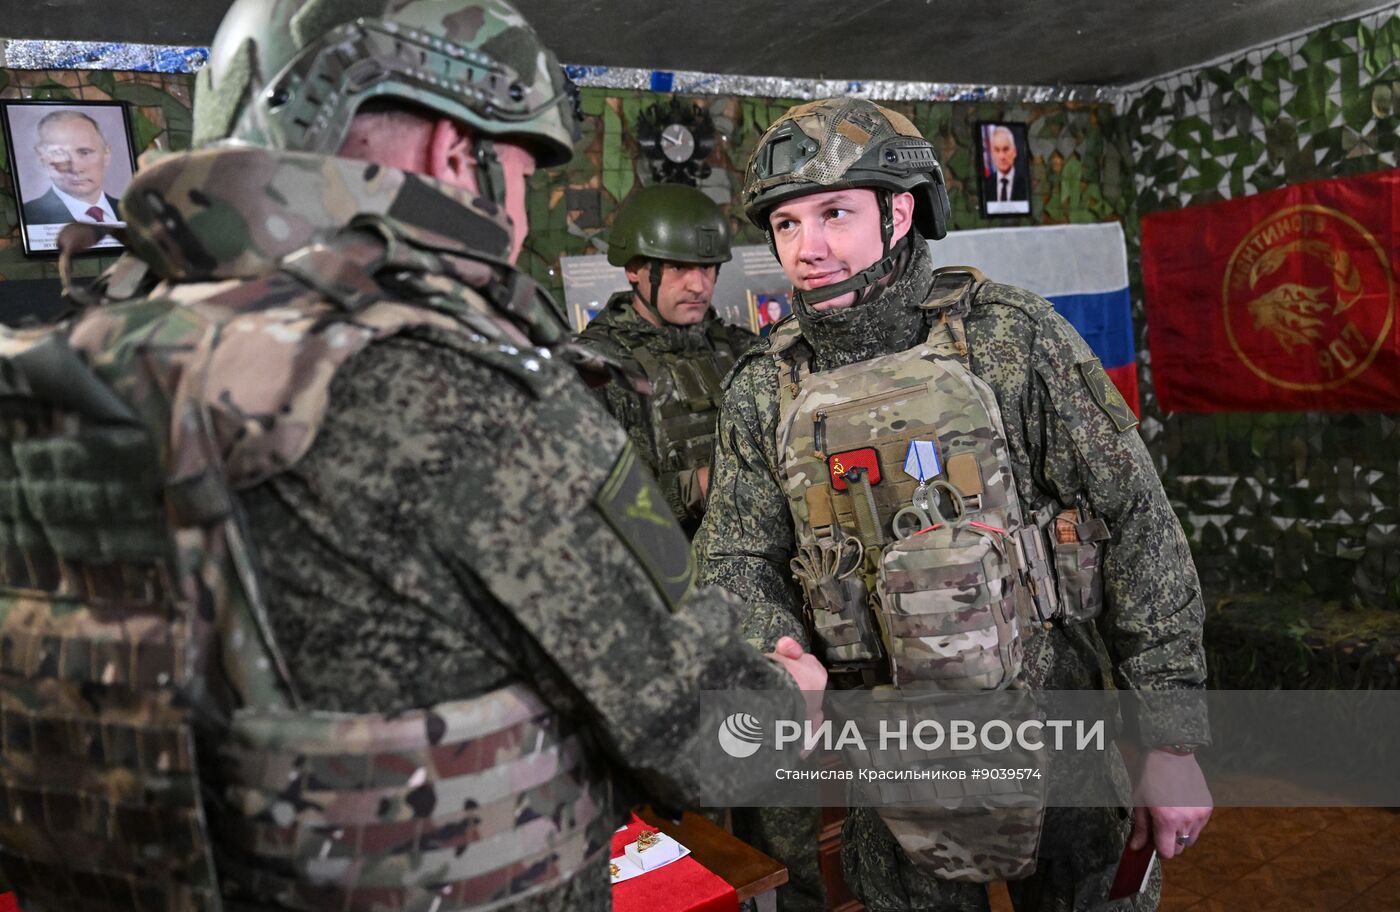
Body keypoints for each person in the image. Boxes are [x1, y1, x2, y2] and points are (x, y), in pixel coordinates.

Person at [0, 2, 826, 910]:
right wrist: (792, 697)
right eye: (515, 177)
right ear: (450, 155)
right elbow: (706, 737)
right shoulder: (463, 392)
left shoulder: (81, 363)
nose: (517, 219)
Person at [698, 96, 1211, 911]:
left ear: (900, 211)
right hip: (882, 755)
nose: (808, 249)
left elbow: (1139, 525)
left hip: (1054, 728)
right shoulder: (765, 387)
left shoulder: (1011, 337)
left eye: (834, 213)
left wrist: (1172, 737)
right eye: (786, 225)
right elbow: (732, 560)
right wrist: (775, 643)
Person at [579, 182, 756, 535]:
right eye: (678, 267)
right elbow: (589, 501)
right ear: (634, 269)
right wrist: (698, 488)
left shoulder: (742, 350)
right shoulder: (597, 368)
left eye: (707, 268)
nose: (697, 286)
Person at [22, 109, 123, 224]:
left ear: (106, 154)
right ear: (42, 159)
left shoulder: (137, 214)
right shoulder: (29, 217)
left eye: (85, 152)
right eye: (59, 154)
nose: (75, 168)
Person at [982, 124, 1028, 205]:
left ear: (1014, 151)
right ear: (992, 154)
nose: (1002, 156)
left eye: (1006, 149)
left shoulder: (1025, 184)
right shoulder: (986, 185)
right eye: (997, 150)